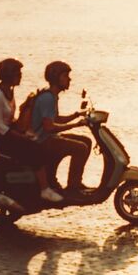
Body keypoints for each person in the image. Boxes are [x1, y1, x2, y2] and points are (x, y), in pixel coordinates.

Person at [0, 59, 62, 204]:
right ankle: (44, 189)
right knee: (35, 148)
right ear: (9, 75)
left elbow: (10, 119)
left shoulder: (9, 91)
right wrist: (21, 138)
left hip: (9, 132)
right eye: (18, 73)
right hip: (1, 137)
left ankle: (47, 182)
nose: (20, 75)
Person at [30, 61, 91, 194]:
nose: (69, 79)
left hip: (48, 137)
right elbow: (49, 127)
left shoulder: (52, 96)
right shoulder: (48, 98)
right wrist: (75, 125)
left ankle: (73, 182)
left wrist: (76, 115)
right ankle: (73, 187)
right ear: (56, 78)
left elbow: (56, 119)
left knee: (87, 141)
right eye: (65, 76)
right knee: (81, 148)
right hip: (42, 140)